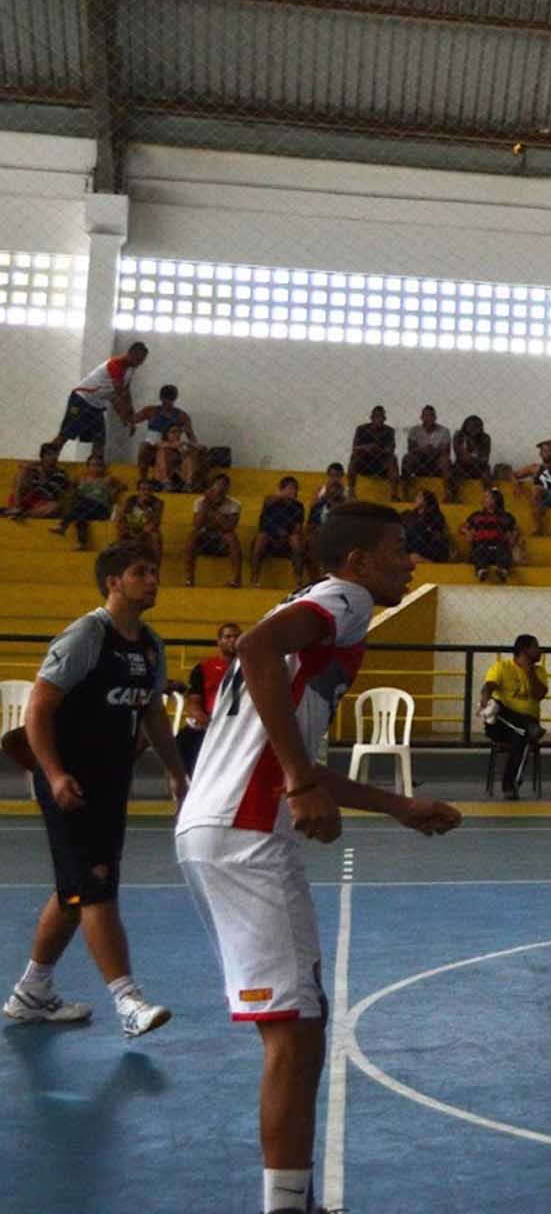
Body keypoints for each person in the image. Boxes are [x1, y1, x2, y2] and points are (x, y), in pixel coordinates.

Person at [174, 502, 462, 1214]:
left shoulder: (312, 629)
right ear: (359, 560)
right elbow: (255, 649)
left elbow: (286, 749)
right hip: (245, 830)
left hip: (218, 826)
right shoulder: (345, 599)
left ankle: (291, 1202)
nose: (412, 560)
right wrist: (299, 782)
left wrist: (398, 807)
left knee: (295, 1028)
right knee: (297, 1036)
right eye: (400, 548)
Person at [6, 543, 181, 1037]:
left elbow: (152, 714)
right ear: (113, 583)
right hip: (69, 782)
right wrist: (56, 775)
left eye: (155, 572)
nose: (152, 580)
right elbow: (37, 710)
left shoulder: (150, 644)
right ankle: (128, 1000)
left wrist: (176, 772)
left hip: (110, 781)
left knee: (74, 891)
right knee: (97, 886)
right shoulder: (88, 635)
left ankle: (31, 993)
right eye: (140, 572)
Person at [480, 634, 548, 800]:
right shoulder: (502, 667)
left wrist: (529, 672)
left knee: (520, 738)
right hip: (500, 725)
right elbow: (490, 685)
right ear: (525, 650)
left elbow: (539, 695)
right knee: (498, 706)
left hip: (522, 729)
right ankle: (527, 726)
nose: (540, 651)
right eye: (536, 647)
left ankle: (508, 786)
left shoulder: (539, 671)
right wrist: (485, 695)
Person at [56, 342, 145, 456]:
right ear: (130, 354)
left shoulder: (131, 369)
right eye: (138, 360)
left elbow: (125, 394)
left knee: (100, 440)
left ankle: (95, 470)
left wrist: (130, 418)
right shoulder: (116, 364)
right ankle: (49, 460)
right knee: (65, 434)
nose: (140, 363)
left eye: (142, 361)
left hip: (97, 404)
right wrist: (126, 418)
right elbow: (119, 395)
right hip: (82, 399)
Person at [177, 620, 241, 774]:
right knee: (182, 741)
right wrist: (205, 720)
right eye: (227, 637)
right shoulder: (204, 668)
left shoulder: (253, 666)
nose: (232, 640)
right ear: (219, 642)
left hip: (240, 723)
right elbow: (194, 702)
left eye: (236, 636)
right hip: (211, 722)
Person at [52, 452, 122, 549]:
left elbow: (121, 486)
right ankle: (82, 542)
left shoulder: (107, 479)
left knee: (81, 503)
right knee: (80, 514)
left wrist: (114, 493)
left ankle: (63, 525)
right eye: (93, 465)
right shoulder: (81, 479)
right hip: (84, 509)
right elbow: (70, 488)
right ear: (88, 467)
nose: (96, 468)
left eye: (99, 465)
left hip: (101, 509)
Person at [186, 473, 244, 589]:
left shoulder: (235, 504)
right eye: (218, 485)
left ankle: (236, 579)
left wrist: (213, 509)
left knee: (231, 538)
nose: (221, 488)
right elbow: (197, 524)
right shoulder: (200, 502)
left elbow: (229, 527)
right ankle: (189, 578)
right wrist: (206, 504)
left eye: (224, 485)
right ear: (212, 486)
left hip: (222, 538)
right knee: (192, 537)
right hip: (205, 535)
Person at [136, 383, 199, 490]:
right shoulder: (150, 411)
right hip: (154, 447)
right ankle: (143, 480)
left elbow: (191, 436)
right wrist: (129, 423)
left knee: (193, 451)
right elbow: (133, 419)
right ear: (160, 397)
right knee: (144, 447)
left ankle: (189, 482)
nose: (168, 402)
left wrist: (193, 446)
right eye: (166, 398)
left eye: (171, 398)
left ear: (175, 398)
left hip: (173, 449)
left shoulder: (182, 416)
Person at [252, 477, 310, 584]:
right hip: (270, 536)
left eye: (295, 488)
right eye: (290, 488)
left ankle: (298, 580)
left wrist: (287, 533)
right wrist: (282, 496)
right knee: (260, 538)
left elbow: (298, 528)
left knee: (296, 540)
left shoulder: (298, 506)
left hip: (288, 539)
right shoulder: (270, 502)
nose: (293, 491)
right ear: (282, 489)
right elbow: (263, 524)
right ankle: (255, 579)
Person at [464, 486, 523, 584]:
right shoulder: (477, 515)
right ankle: (481, 570)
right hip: (481, 545)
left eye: (487, 497)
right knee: (478, 552)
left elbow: (515, 530)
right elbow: (463, 527)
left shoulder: (506, 517)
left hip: (499, 545)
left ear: (495, 500)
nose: (483, 500)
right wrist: (468, 533)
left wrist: (513, 536)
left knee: (503, 554)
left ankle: (503, 571)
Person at [3, 441, 68, 520]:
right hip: (26, 498)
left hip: (43, 503)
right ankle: (16, 508)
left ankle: (22, 514)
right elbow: (20, 484)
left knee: (55, 507)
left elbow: (50, 493)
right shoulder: (33, 469)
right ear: (42, 456)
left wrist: (42, 476)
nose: (53, 457)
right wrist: (28, 468)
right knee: (23, 471)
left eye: (55, 454)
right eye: (49, 454)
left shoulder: (60, 474)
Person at [348, 405, 397, 499]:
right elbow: (355, 448)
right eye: (376, 417)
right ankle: (351, 490)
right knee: (354, 457)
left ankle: (393, 493)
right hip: (364, 462)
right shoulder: (361, 429)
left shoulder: (389, 431)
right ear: (371, 418)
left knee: (392, 459)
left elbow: (390, 450)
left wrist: (377, 449)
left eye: (381, 417)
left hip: (381, 463)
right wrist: (367, 447)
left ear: (384, 419)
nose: (378, 419)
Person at [401, 405, 451, 494]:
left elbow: (446, 450)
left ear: (435, 417)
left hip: (436, 463)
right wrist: (423, 450)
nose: (428, 418)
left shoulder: (444, 431)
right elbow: (411, 449)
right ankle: (405, 489)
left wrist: (434, 451)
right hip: (419, 461)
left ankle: (448, 492)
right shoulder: (414, 430)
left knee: (445, 460)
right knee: (407, 458)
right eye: (426, 415)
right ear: (421, 417)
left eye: (431, 415)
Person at [115, 476, 165, 560]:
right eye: (143, 489)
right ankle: (121, 563)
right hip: (131, 527)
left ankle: (156, 567)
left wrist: (144, 507)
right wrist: (128, 528)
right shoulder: (131, 500)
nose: (146, 492)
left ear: (152, 491)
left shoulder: (158, 503)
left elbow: (155, 523)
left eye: (149, 489)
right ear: (138, 491)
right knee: (121, 531)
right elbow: (121, 518)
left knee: (156, 536)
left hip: (146, 530)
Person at [401, 488, 452, 565]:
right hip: (411, 542)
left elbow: (435, 533)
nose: (415, 499)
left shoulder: (435, 516)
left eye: (419, 497)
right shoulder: (409, 514)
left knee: (417, 529)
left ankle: (422, 559)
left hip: (427, 543)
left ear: (426, 500)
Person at [449, 413, 492, 502]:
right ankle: (452, 496)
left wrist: (470, 458)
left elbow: (485, 458)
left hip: (479, 467)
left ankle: (489, 497)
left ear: (481, 428)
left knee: (487, 473)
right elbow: (459, 455)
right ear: (465, 426)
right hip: (462, 466)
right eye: (471, 426)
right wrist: (472, 458)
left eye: (477, 427)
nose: (474, 429)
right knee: (453, 471)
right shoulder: (459, 436)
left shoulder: (485, 438)